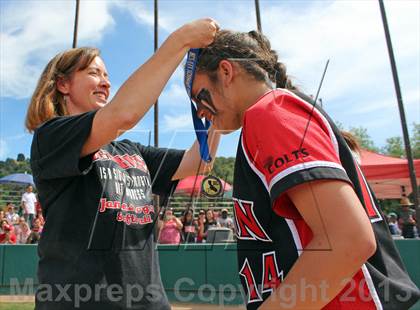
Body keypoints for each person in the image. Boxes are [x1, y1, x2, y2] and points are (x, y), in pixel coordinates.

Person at [187, 30, 420, 309]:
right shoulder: (271, 113)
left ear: (226, 71)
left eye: (199, 96)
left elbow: (348, 239)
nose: (200, 111)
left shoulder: (269, 112)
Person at [25, 18, 219, 310]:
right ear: (63, 84)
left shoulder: (130, 150)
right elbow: (123, 115)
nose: (105, 82)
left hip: (148, 303)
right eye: (93, 73)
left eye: (106, 74)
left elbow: (199, 162)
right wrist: (180, 41)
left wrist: (217, 109)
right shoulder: (51, 137)